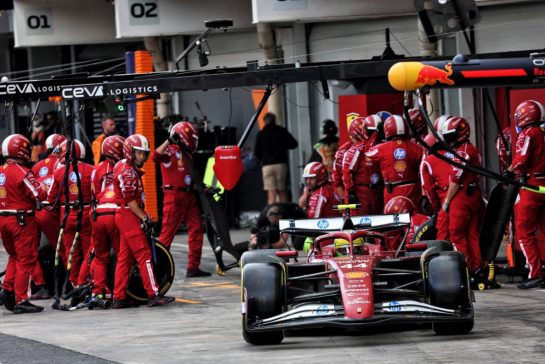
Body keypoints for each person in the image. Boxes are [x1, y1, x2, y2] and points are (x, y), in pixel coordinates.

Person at [112, 134, 174, 308]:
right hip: (128, 215)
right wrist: (144, 217)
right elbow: (130, 201)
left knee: (125, 258)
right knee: (144, 255)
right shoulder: (128, 171)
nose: (142, 157)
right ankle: (153, 294)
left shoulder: (122, 166)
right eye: (138, 153)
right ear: (129, 151)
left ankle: (119, 297)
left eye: (143, 153)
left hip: (124, 214)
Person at [151, 121, 210, 278]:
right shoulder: (170, 150)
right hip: (174, 196)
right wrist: (169, 140)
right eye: (193, 138)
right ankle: (155, 268)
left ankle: (193, 267)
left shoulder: (188, 154)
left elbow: (188, 178)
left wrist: (203, 188)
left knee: (197, 229)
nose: (195, 142)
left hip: (189, 195)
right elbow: (154, 156)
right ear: (185, 137)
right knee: (166, 236)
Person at [0, 134, 46, 313]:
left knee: (14, 257)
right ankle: (21, 298)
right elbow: (39, 194)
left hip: (3, 219)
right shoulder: (22, 171)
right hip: (21, 220)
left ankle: (8, 289)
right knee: (26, 259)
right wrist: (44, 187)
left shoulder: (1, 170)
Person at [505, 100, 545, 289]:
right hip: (543, 185)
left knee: (524, 232)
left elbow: (522, 159)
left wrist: (510, 170)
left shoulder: (528, 134)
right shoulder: (543, 133)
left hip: (531, 187)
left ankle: (535, 273)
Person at [439, 116, 484, 280]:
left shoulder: (462, 152)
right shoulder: (473, 149)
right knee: (473, 234)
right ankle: (477, 268)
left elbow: (455, 180)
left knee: (457, 235)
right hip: (474, 195)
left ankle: (465, 271)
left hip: (461, 198)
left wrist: (446, 202)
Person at [47, 139, 94, 290]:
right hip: (86, 213)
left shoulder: (58, 172)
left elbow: (50, 198)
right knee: (89, 249)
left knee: (71, 251)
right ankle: (86, 280)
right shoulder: (91, 170)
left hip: (66, 214)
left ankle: (74, 283)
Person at [28, 133, 66, 299]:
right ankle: (71, 283)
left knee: (30, 252)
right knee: (63, 248)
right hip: (53, 211)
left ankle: (39, 286)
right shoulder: (61, 164)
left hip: (34, 212)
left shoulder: (37, 166)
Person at [88, 135, 125, 297]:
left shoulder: (96, 168)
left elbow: (95, 192)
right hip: (113, 213)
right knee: (122, 256)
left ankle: (96, 290)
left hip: (96, 213)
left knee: (97, 255)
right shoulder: (117, 168)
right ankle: (120, 292)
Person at [366, 115, 423, 208]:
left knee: (392, 219)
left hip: (392, 191)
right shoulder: (416, 147)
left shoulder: (381, 148)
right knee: (413, 218)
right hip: (413, 190)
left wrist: (375, 135)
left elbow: (367, 153)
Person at [254, 112, 298, 204]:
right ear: (274, 120)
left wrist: (263, 157)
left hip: (267, 166)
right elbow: (294, 144)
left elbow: (256, 153)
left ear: (264, 121)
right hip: (281, 164)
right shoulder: (282, 131)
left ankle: (272, 215)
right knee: (282, 190)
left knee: (271, 192)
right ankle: (284, 213)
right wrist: (283, 147)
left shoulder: (261, 134)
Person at [342, 116, 383, 214]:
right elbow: (347, 171)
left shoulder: (381, 147)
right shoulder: (357, 149)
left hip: (377, 192)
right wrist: (351, 192)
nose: (375, 135)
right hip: (360, 193)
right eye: (371, 132)